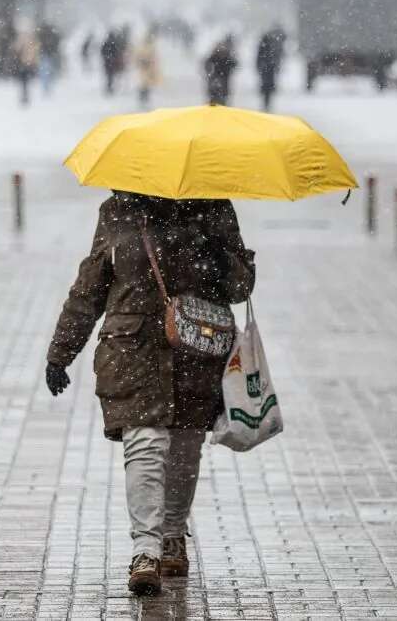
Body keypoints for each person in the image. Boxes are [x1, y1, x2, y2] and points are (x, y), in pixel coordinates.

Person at [45, 192, 256, 596]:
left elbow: (239, 286)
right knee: (144, 444)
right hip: (133, 349)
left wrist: (217, 250)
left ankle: (174, 533)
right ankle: (146, 550)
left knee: (185, 447)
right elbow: (90, 287)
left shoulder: (213, 208)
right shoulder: (118, 211)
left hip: (195, 352)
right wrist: (61, 353)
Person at [256, 26, 287, 111]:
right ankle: (267, 103)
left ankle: (266, 103)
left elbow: (259, 57)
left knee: (267, 86)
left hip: (267, 68)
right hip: (268, 67)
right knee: (268, 86)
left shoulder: (267, 44)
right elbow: (277, 56)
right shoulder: (272, 44)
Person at [203, 36, 239, 106]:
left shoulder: (226, 57)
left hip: (221, 84)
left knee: (220, 102)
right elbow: (206, 65)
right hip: (216, 83)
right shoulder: (216, 57)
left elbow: (235, 64)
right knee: (217, 101)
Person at [12, 28, 40, 106]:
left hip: (24, 63)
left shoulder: (23, 40)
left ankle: (25, 96)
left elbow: (16, 49)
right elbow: (36, 53)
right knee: (26, 81)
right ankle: (25, 96)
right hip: (28, 63)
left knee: (24, 81)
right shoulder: (34, 41)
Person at [133, 32, 161, 108]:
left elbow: (153, 58)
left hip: (147, 68)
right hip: (144, 68)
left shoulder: (150, 47)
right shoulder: (143, 47)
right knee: (143, 83)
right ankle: (143, 97)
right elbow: (138, 57)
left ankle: (145, 97)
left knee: (146, 84)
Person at [37, 22, 62, 96]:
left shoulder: (42, 35)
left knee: (45, 72)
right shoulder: (52, 35)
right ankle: (47, 87)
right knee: (49, 71)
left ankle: (46, 87)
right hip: (50, 55)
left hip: (45, 55)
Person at [100, 30, 125, 96]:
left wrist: (107, 57)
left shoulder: (106, 42)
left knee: (109, 76)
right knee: (112, 76)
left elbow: (102, 52)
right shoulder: (114, 43)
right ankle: (110, 87)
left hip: (107, 62)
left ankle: (109, 87)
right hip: (112, 63)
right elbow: (117, 52)